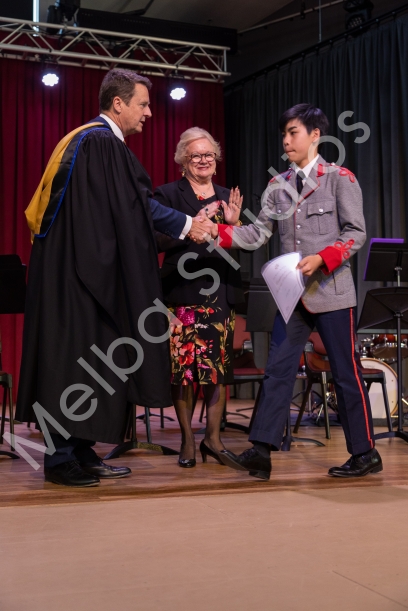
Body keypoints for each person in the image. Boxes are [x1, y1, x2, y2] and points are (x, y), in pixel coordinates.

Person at [15, 69, 213, 487]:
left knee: (91, 361)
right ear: (118, 103)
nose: (149, 113)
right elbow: (134, 205)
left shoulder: (81, 141)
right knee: (76, 363)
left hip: (79, 273)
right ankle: (60, 459)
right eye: (143, 104)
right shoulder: (101, 142)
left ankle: (81, 450)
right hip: (82, 279)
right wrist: (187, 224)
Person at [205, 103, 382, 481]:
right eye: (284, 134)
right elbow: (257, 234)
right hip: (293, 296)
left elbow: (355, 233)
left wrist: (323, 258)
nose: (286, 140)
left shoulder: (339, 179)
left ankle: (365, 452)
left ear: (315, 135)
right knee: (278, 370)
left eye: (293, 132)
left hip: (332, 292)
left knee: (345, 373)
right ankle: (261, 450)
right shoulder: (277, 186)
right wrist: (216, 232)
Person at [154, 127, 244, 467]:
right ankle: (188, 442)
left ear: (216, 160)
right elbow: (155, 240)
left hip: (219, 291)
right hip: (182, 292)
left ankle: (213, 439)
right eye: (196, 155)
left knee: (216, 370)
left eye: (209, 155)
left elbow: (241, 244)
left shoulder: (227, 195)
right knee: (185, 370)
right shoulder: (167, 195)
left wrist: (232, 226)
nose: (203, 160)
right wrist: (190, 226)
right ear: (183, 161)